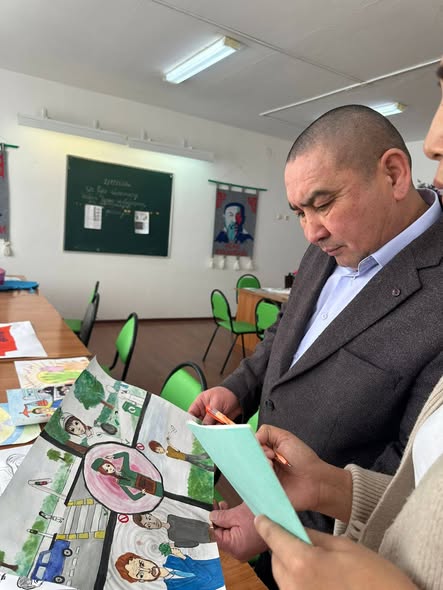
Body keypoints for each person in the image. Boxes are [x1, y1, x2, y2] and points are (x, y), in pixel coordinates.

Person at [213, 60, 443, 589]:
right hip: (263, 495)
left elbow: (408, 470)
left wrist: (284, 520)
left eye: (322, 204)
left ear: (393, 174)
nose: (310, 231)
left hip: (331, 551)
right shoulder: (326, 244)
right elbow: (287, 333)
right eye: (299, 211)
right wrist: (238, 388)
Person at [115, 547, 224, 588]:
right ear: (142, 580)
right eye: (141, 574)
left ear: (144, 559)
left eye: (142, 564)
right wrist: (183, 557)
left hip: (223, 563)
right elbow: (206, 577)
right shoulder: (174, 588)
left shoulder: (173, 559)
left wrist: (181, 556)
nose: (148, 570)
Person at [91, 452, 163, 501]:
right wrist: (142, 493)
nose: (109, 468)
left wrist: (113, 456)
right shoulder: (120, 482)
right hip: (151, 490)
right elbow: (133, 497)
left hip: (155, 483)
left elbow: (125, 454)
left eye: (108, 465)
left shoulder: (125, 469)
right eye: (106, 470)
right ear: (105, 473)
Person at [133, 511, 211, 547]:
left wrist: (206, 525)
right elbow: (193, 544)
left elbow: (190, 520)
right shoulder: (172, 536)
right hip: (207, 538)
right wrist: (174, 545)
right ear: (150, 529)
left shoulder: (171, 517)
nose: (153, 523)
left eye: (149, 518)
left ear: (151, 515)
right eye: (149, 525)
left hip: (207, 528)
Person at [148, 440, 215, 472]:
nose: (160, 451)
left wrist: (169, 442)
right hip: (184, 459)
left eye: (159, 449)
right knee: (197, 463)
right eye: (158, 452)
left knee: (199, 457)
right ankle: (210, 468)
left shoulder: (168, 448)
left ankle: (211, 454)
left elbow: (176, 449)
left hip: (185, 456)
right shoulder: (167, 455)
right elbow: (176, 458)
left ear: (160, 445)